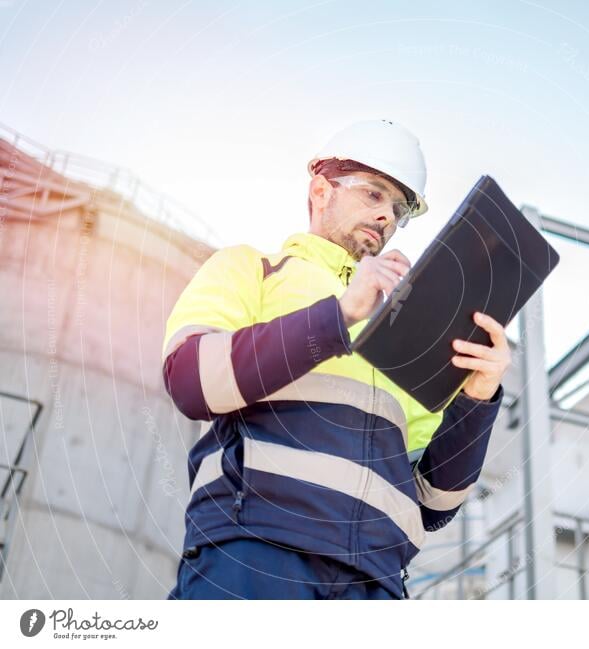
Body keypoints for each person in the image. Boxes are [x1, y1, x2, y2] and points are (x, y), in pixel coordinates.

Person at [162, 119, 511, 600]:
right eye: (373, 194)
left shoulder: (406, 330)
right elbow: (192, 380)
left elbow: (434, 504)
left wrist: (477, 397)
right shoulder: (251, 270)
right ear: (321, 191)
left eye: (399, 208)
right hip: (257, 552)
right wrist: (340, 315)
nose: (387, 216)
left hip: (376, 583)